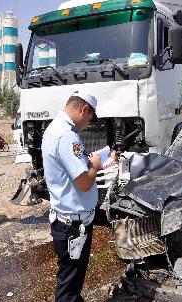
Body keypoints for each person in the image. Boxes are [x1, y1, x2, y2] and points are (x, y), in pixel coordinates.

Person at [42, 92, 115, 302]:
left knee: (71, 281)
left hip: (68, 222)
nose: (89, 123)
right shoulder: (66, 135)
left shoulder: (56, 128)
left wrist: (95, 159)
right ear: (84, 109)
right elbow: (83, 183)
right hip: (73, 226)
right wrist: (96, 165)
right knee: (69, 287)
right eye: (90, 117)